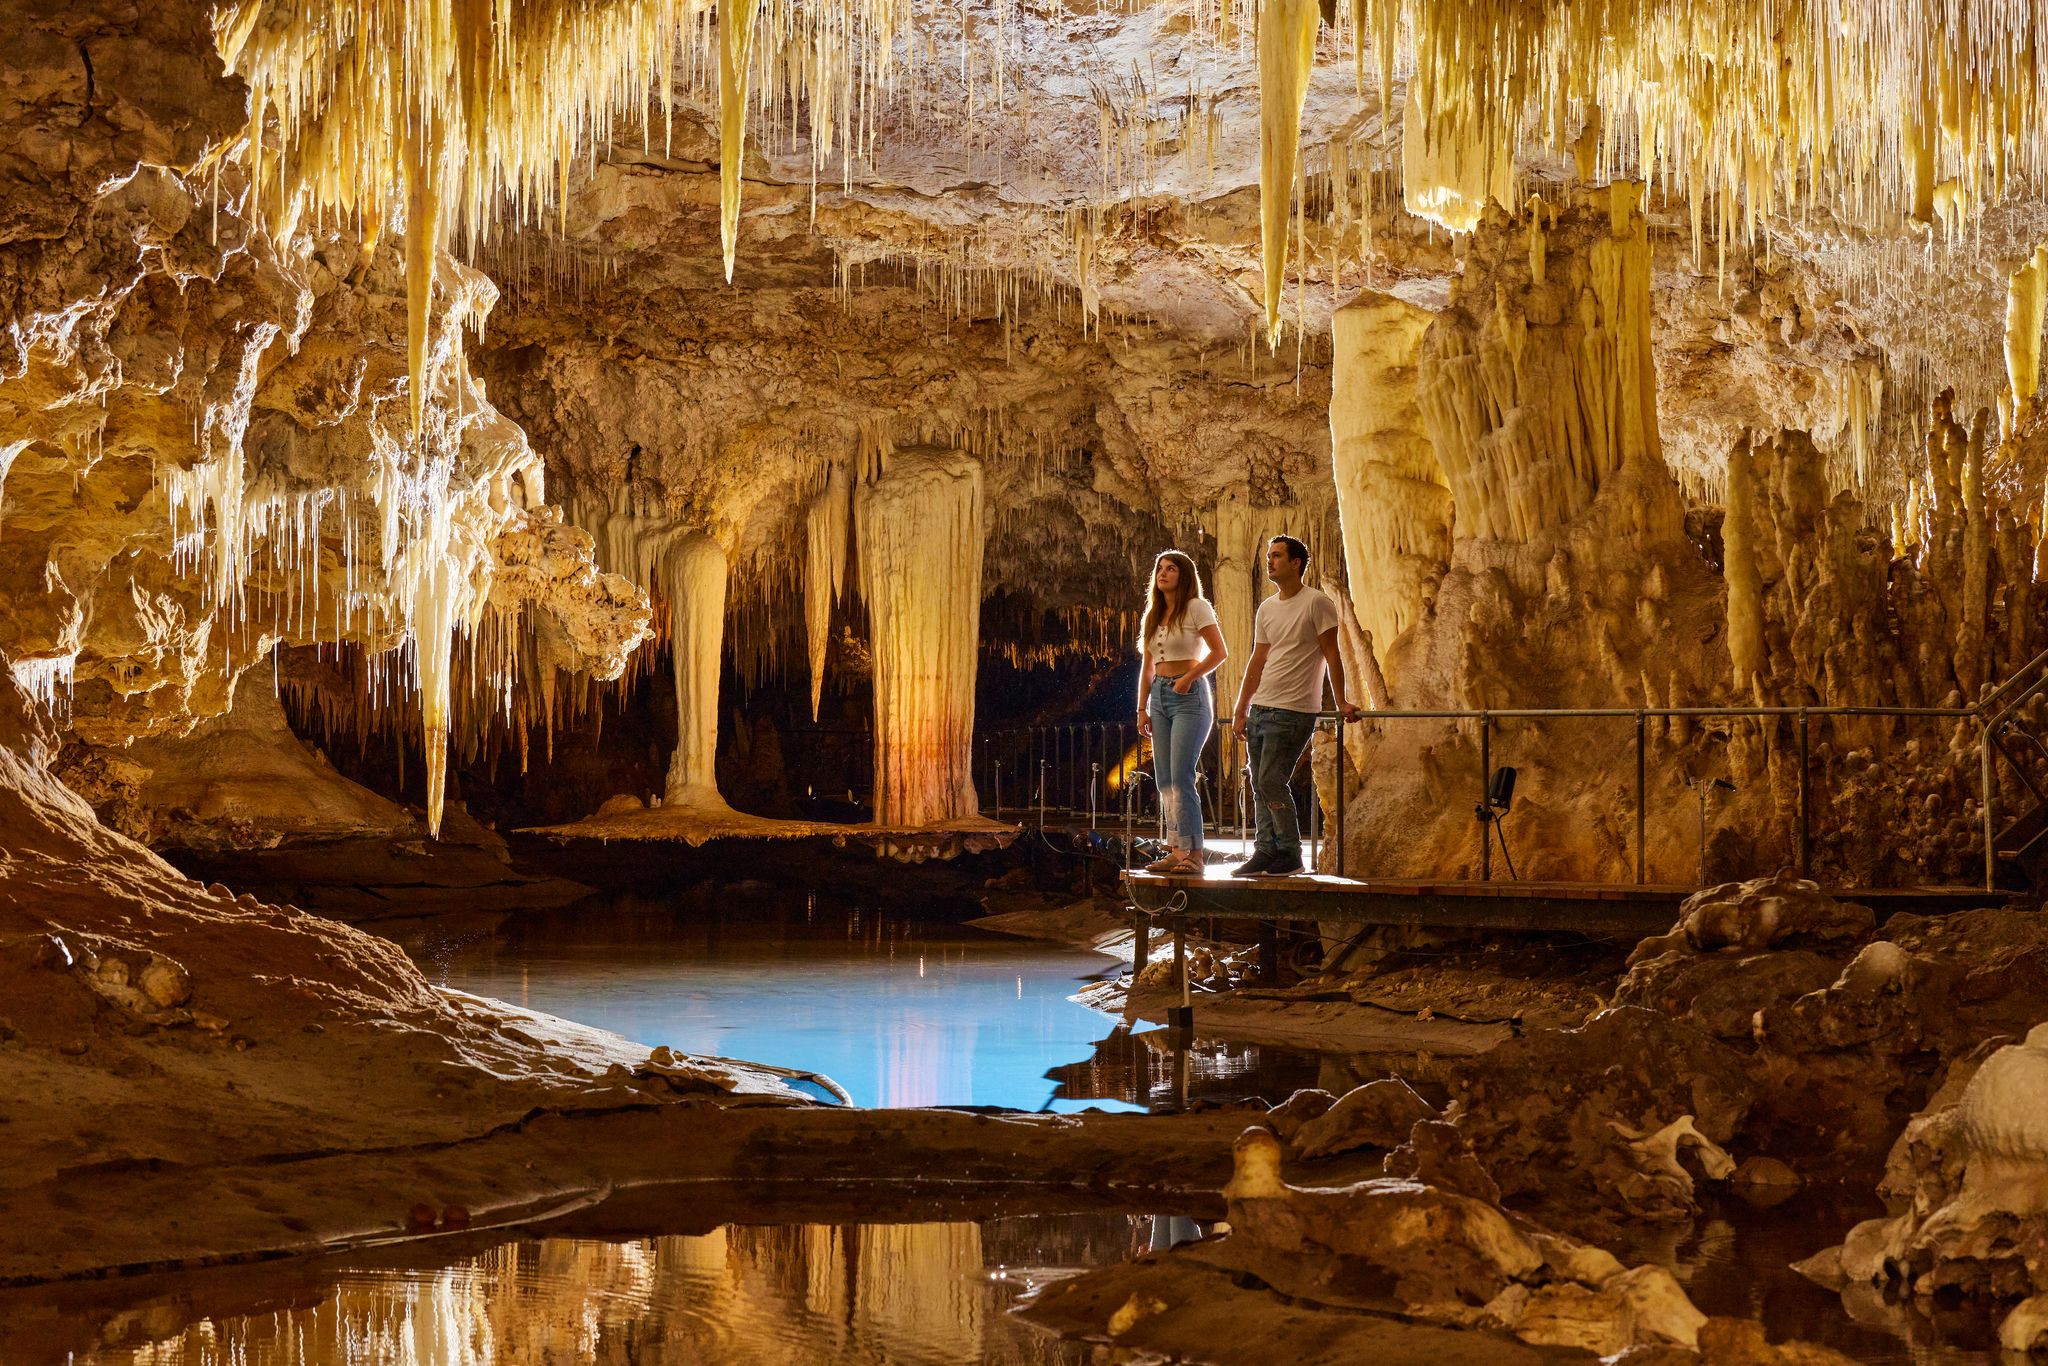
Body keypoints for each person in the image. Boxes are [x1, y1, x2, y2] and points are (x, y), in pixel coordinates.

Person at [1229, 535, 1362, 876]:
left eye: (1277, 556)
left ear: (1295, 563)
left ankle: (1288, 851)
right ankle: (1264, 850)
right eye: (1269, 556)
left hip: (1294, 709)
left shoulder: (1317, 603)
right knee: (1258, 783)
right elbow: (1257, 661)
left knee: (1272, 781)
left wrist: (1342, 699)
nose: (1269, 561)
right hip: (1262, 706)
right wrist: (1242, 707)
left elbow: (1333, 655)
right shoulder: (1267, 608)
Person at [1136, 550, 1228, 875]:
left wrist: (1189, 677)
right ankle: (1176, 850)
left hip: (1189, 696)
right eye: (1160, 568)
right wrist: (1141, 709)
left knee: (1181, 776)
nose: (1163, 573)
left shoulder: (1196, 607)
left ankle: (1195, 855)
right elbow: (1147, 668)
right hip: (1159, 698)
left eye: (1171, 568)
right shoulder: (1153, 615)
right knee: (1163, 779)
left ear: (1183, 575)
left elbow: (1220, 652)